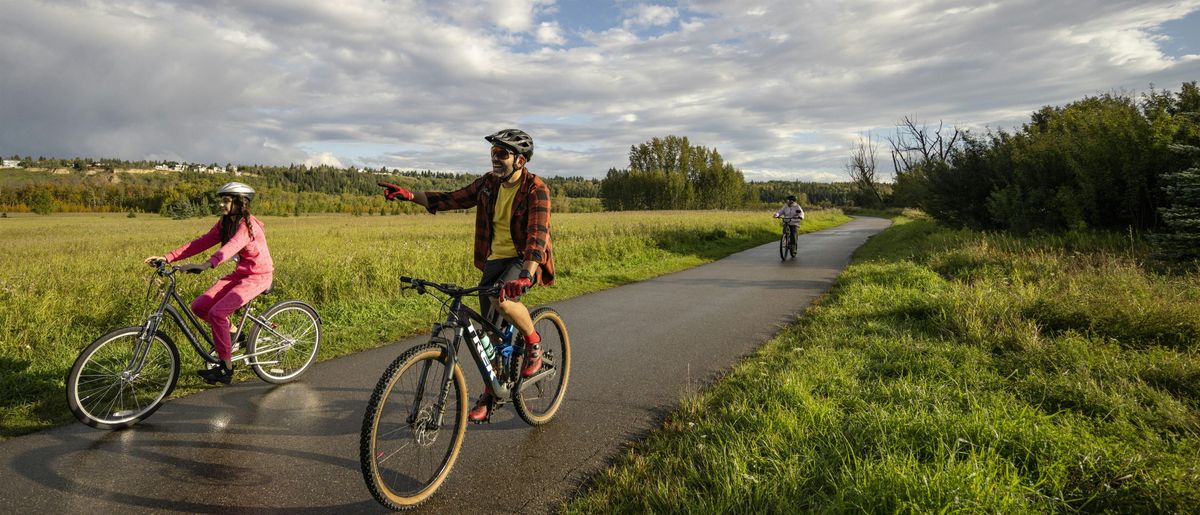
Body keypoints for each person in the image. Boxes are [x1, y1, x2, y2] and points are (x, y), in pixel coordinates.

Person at [378, 128, 554, 423]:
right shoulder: (488, 184)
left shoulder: (536, 189)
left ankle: (533, 344)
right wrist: (410, 195)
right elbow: (452, 199)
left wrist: (525, 276)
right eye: (492, 153)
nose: (495, 159)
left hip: (523, 259)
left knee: (504, 302)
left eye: (502, 154)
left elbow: (538, 236)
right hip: (493, 260)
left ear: (520, 160)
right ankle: (492, 392)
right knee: (488, 336)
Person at [144, 182, 273, 385]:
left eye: (226, 201)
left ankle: (226, 368)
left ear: (240, 203)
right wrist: (168, 257)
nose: (222, 204)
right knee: (200, 306)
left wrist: (206, 265)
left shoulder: (248, 226)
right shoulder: (225, 223)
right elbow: (202, 242)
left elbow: (230, 248)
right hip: (240, 275)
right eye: (222, 200)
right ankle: (233, 335)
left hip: (258, 276)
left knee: (217, 313)